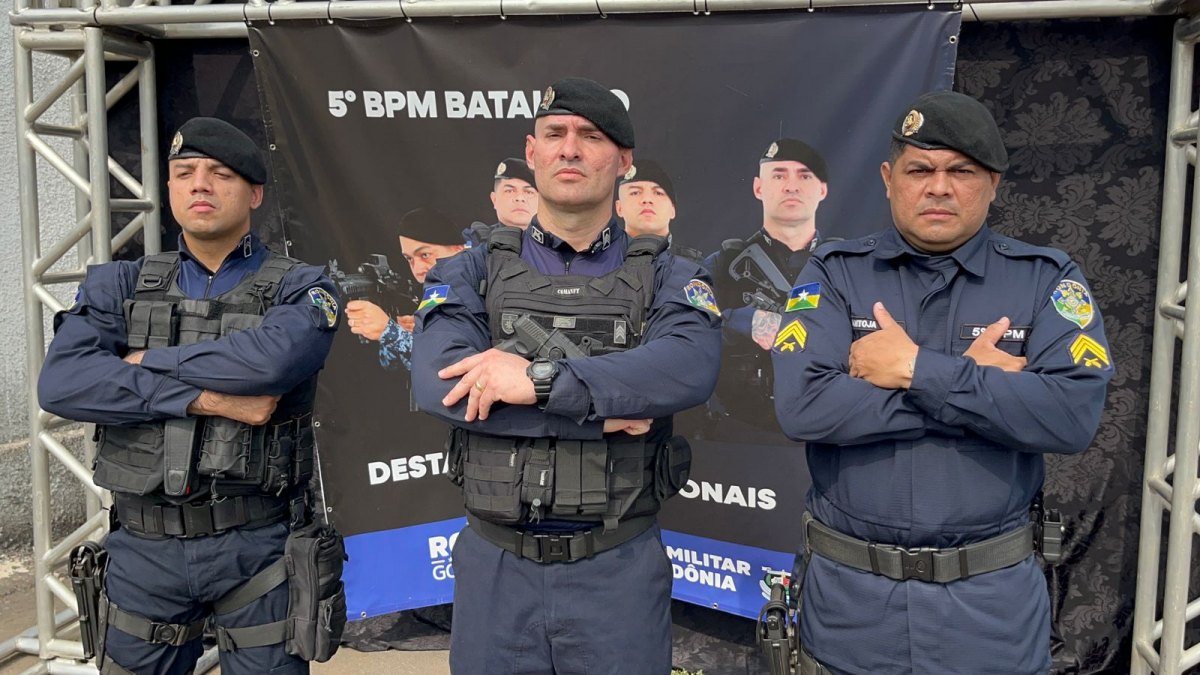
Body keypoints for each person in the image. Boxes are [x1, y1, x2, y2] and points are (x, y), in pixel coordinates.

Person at [772, 91, 1114, 674]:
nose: (939, 188)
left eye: (961, 171)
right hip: (852, 607)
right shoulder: (835, 272)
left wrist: (914, 370)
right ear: (888, 179)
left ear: (993, 183)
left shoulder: (1044, 279)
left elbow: (1070, 416)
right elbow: (803, 406)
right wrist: (976, 386)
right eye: (920, 170)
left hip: (989, 611)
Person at [411, 77, 722, 674]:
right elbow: (438, 384)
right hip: (496, 570)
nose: (570, 149)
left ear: (624, 161)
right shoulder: (470, 271)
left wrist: (537, 382)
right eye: (555, 134)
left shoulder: (670, 275)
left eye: (592, 137)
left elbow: (686, 369)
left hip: (616, 568)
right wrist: (600, 413)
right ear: (532, 152)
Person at [38, 117, 342, 675]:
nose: (200, 184)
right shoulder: (119, 285)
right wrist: (208, 399)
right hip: (143, 551)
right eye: (185, 173)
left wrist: (148, 360)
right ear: (171, 189)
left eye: (220, 173)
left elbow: (268, 362)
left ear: (254, 194)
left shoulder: (302, 287)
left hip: (258, 547)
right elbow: (63, 383)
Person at [705, 138, 830, 433]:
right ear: (758, 187)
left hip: (825, 431)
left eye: (804, 176)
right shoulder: (722, 265)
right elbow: (684, 333)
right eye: (779, 175)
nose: (791, 186)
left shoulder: (845, 267)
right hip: (737, 433)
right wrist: (742, 321)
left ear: (822, 190)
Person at [345, 207, 465, 370]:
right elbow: (392, 364)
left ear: (458, 249)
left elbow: (448, 364)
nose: (417, 269)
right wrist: (403, 331)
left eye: (425, 255)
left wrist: (389, 331)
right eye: (409, 259)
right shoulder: (435, 294)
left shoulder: (478, 291)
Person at [461, 157, 539, 246]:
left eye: (529, 192)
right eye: (509, 191)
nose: (519, 198)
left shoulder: (551, 244)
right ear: (494, 199)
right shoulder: (474, 243)